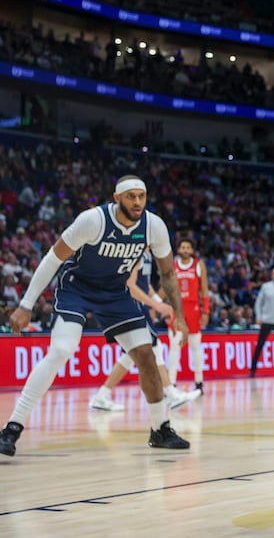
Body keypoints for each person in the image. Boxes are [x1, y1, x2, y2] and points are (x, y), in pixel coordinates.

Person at [0, 175, 191, 456]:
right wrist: (26, 304)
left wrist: (181, 317)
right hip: (77, 288)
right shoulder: (92, 220)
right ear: (117, 198)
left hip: (115, 293)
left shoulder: (154, 226)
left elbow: (169, 273)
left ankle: (160, 428)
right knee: (62, 350)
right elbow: (53, 258)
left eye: (142, 196)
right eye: (130, 196)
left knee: (147, 355)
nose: (137, 202)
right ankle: (12, 428)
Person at [90, 250, 202, 411]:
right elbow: (130, 286)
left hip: (133, 306)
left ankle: (102, 396)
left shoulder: (147, 255)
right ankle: (171, 394)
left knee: (130, 355)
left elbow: (145, 284)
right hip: (130, 306)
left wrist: (159, 303)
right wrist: (156, 306)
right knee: (155, 347)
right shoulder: (136, 253)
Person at [169, 238, 209, 393]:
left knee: (195, 347)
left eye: (188, 247)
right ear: (178, 250)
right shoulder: (172, 265)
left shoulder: (198, 265)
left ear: (192, 250)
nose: (185, 250)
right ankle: (171, 383)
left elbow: (204, 290)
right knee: (174, 346)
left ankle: (199, 382)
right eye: (183, 247)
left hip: (193, 309)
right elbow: (167, 287)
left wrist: (206, 311)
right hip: (177, 308)